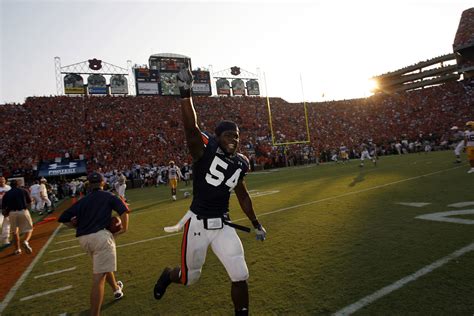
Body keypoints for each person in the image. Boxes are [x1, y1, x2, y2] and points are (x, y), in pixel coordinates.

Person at [153, 63, 267, 315]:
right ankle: (167, 275)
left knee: (240, 273)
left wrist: (256, 222)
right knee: (188, 278)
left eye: (236, 136)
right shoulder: (205, 150)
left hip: (223, 224)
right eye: (228, 135)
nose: (234, 140)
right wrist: (186, 94)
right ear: (217, 137)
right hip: (197, 224)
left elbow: (243, 195)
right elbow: (191, 129)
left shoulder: (241, 162)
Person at [58, 172, 130, 316]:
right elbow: (124, 211)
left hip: (85, 240)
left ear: (89, 184)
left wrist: (76, 227)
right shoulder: (109, 196)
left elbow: (63, 218)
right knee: (99, 279)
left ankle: (116, 289)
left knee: (102, 267)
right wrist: (124, 230)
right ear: (103, 183)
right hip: (101, 237)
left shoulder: (83, 200)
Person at [1, 179, 34, 255]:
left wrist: (6, 215)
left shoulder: (7, 194)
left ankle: (17, 250)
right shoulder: (24, 191)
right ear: (18, 184)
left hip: (12, 213)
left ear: (10, 185)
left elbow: (3, 209)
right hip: (23, 211)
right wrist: (27, 211)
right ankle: (25, 241)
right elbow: (29, 202)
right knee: (29, 229)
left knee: (15, 232)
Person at [0, 176, 12, 245]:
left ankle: (6, 240)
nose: (1, 180)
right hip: (0, 209)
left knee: (7, 226)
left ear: (5, 180)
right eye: (0, 180)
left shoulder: (9, 188)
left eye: (3, 179)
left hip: (8, 209)